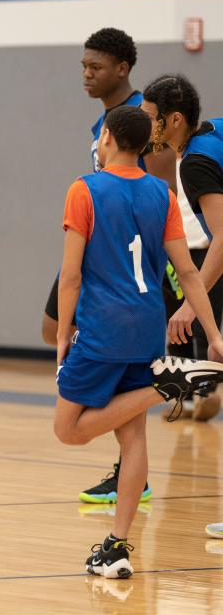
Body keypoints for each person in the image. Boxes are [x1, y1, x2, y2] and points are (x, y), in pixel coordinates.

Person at [53, 104, 223, 578]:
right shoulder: (161, 193)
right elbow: (187, 271)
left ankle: (161, 388)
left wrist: (64, 332)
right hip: (148, 323)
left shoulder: (83, 189)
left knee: (68, 430)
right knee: (133, 440)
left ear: (106, 138)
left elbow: (70, 276)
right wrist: (213, 335)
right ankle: (117, 548)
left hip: (102, 328)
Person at [41, 28, 177, 505]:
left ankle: (129, 470)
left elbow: (155, 188)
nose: (86, 74)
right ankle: (130, 465)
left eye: (94, 67)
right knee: (50, 325)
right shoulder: (100, 123)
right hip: (98, 237)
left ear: (122, 69)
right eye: (82, 66)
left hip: (120, 249)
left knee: (73, 347)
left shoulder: (141, 118)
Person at [138, 74, 223, 540]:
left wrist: (192, 305)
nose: (145, 124)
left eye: (151, 118)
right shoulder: (217, 129)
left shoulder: (194, 164)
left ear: (173, 120)